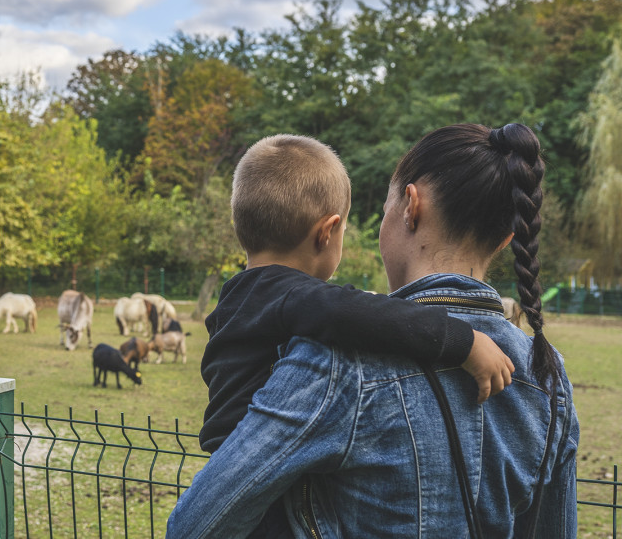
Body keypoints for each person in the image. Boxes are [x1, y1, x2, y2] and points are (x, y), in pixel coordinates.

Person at [167, 124, 579, 537]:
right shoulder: (549, 375)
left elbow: (193, 527)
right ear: (508, 238)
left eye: (383, 209)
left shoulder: (337, 358)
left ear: (410, 206)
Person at [197, 134, 515, 457]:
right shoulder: (296, 297)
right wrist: (464, 341)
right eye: (343, 232)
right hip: (258, 462)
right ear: (326, 233)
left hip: (226, 452)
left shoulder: (236, 299)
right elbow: (366, 315)